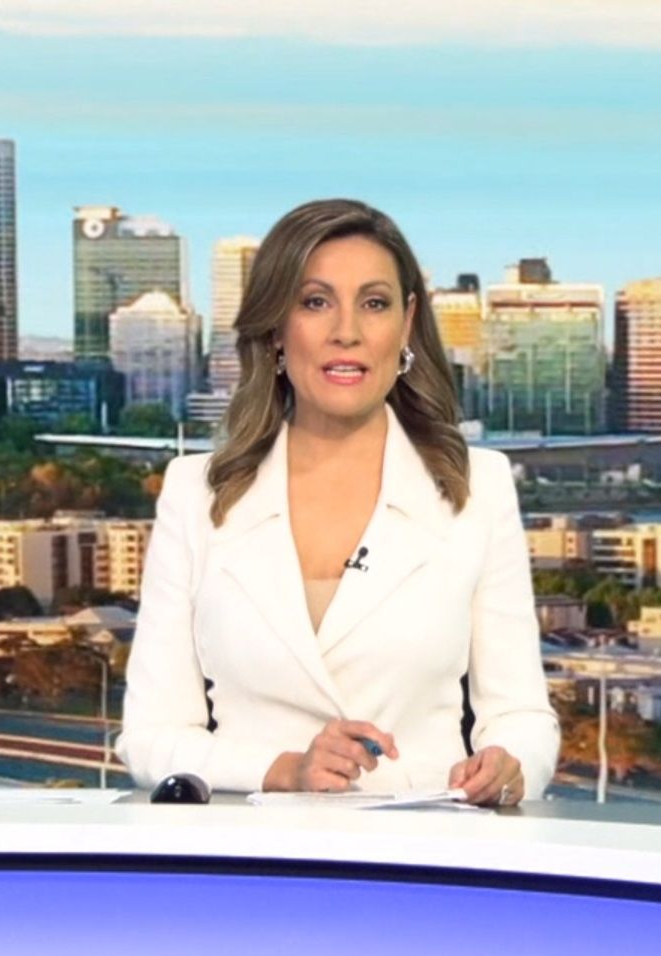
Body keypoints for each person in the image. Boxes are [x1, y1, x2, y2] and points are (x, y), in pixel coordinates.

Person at [116, 198, 559, 805]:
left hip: (424, 844)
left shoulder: (477, 487)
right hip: (252, 849)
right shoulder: (196, 493)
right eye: (315, 302)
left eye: (373, 304)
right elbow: (150, 738)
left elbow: (522, 717)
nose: (346, 331)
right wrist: (285, 769)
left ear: (406, 324)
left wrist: (511, 766)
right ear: (276, 328)